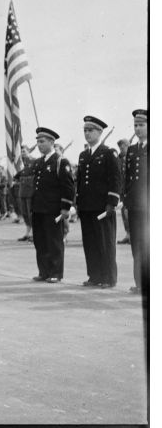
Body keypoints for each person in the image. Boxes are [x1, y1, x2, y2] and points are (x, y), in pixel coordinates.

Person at [76, 116, 121, 289]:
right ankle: (94, 275)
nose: (87, 133)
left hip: (102, 206)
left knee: (105, 242)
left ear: (100, 132)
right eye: (85, 130)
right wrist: (78, 202)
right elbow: (80, 181)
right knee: (90, 243)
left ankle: (108, 278)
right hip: (87, 206)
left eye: (91, 130)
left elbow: (116, 179)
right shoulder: (83, 154)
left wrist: (112, 203)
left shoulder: (109, 153)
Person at [30, 127, 74, 283]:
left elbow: (68, 187)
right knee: (40, 241)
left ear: (51, 142)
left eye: (42, 142)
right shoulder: (39, 162)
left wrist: (65, 208)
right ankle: (44, 271)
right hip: (39, 208)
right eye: (38, 142)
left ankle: (55, 272)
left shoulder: (60, 161)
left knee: (54, 241)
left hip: (53, 209)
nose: (39, 145)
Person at [123, 110, 149, 296]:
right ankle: (139, 283)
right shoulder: (132, 150)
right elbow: (128, 178)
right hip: (134, 204)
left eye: (141, 125)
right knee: (137, 245)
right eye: (135, 125)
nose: (138, 129)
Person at [14, 144, 35, 241]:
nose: (22, 153)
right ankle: (27, 232)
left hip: (30, 190)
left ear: (29, 151)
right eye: (21, 151)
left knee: (31, 213)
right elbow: (17, 176)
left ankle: (34, 233)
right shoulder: (20, 163)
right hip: (22, 190)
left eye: (24, 151)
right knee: (25, 213)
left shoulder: (34, 161)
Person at [117, 138, 131, 244]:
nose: (122, 148)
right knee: (124, 213)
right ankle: (128, 234)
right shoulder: (119, 159)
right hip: (122, 191)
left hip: (131, 190)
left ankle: (133, 235)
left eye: (124, 146)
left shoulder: (133, 157)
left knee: (130, 213)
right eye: (120, 147)